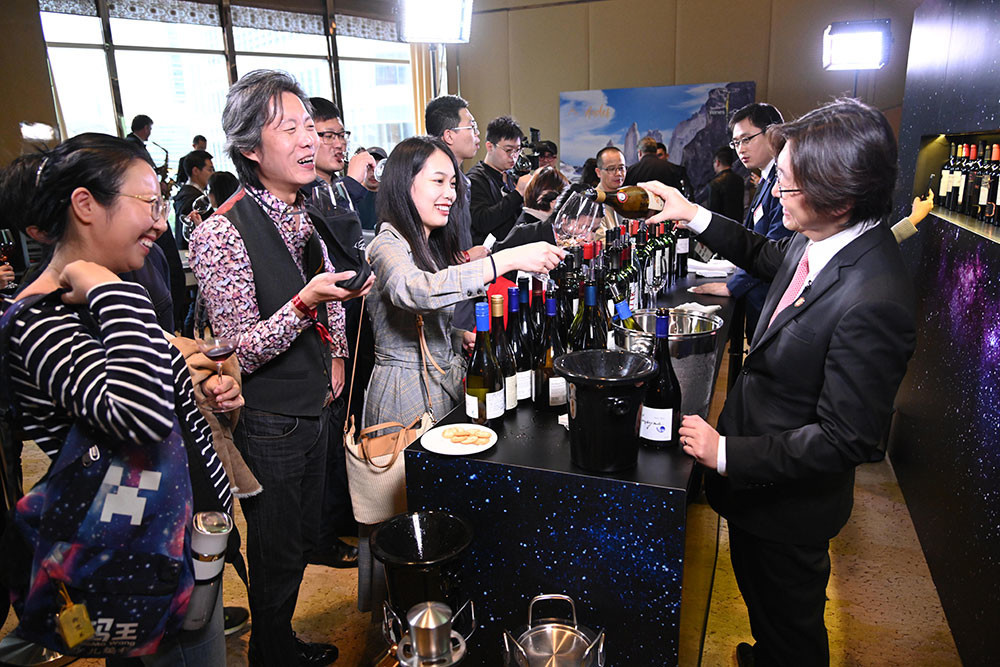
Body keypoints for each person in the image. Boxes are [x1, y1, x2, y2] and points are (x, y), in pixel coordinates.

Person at [644, 98, 917, 667]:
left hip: (787, 508)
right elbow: (768, 255)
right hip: (757, 496)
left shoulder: (875, 298)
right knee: (768, 618)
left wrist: (727, 453)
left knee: (793, 633)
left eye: (787, 190)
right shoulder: (824, 236)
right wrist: (692, 214)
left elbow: (849, 438)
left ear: (840, 197)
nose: (777, 197)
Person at [0, 133, 237, 665]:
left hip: (179, 532)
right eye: (149, 204)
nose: (159, 221)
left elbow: (155, 389)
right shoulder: (41, 318)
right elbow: (140, 416)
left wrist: (205, 391)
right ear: (85, 205)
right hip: (139, 554)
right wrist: (109, 289)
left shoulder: (103, 297)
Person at [189, 69, 373, 667]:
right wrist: (304, 304)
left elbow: (336, 284)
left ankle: (278, 640)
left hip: (314, 400)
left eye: (310, 128)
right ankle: (270, 650)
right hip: (267, 415)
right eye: (288, 128)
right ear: (248, 148)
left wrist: (338, 351)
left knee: (297, 539)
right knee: (276, 547)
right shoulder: (222, 232)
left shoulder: (308, 206)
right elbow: (240, 349)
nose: (307, 141)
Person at [361, 135, 564, 613]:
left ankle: (443, 615)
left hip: (442, 385)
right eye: (437, 181)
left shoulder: (426, 242)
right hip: (403, 400)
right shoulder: (386, 242)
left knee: (440, 517)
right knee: (407, 526)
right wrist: (504, 261)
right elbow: (414, 292)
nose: (450, 192)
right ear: (401, 184)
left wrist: (456, 339)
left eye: (453, 182)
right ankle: (407, 628)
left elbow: (426, 315)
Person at [302, 95, 368, 569]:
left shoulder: (337, 189)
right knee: (325, 439)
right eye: (329, 135)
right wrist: (337, 354)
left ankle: (343, 516)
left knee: (347, 424)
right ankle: (322, 535)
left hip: (353, 318)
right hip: (322, 337)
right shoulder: (305, 197)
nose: (338, 144)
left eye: (342, 135)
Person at [692, 103, 793, 341]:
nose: (740, 149)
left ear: (774, 133)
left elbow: (773, 250)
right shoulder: (766, 179)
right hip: (758, 302)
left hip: (771, 303)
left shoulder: (782, 182)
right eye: (736, 143)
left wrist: (733, 286)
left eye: (746, 139)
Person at [467, 115, 532, 246]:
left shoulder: (510, 176)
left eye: (518, 150)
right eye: (508, 150)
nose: (514, 156)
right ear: (490, 146)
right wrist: (518, 193)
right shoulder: (474, 179)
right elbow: (482, 222)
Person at [592, 146, 628, 242]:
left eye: (621, 168)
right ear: (598, 172)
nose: (618, 173)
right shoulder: (593, 203)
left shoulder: (627, 196)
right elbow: (601, 241)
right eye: (611, 169)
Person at [706, 146, 745, 222]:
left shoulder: (714, 184)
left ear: (717, 162)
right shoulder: (739, 180)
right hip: (738, 226)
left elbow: (713, 213)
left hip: (722, 229)